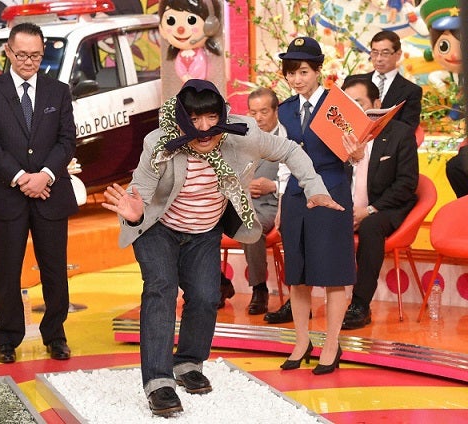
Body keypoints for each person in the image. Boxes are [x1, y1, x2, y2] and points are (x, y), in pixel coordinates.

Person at [102, 78, 342, 416]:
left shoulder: (244, 134)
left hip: (204, 231)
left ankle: (188, 363)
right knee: (161, 290)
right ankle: (159, 383)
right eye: (194, 119)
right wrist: (135, 213)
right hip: (159, 229)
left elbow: (290, 150)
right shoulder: (159, 142)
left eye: (211, 118)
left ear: (222, 116)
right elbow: (138, 192)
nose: (203, 129)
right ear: (181, 119)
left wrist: (314, 188)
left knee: (205, 297)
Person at [0, 23, 78, 363]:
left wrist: (45, 176)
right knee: (7, 271)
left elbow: (67, 140)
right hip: (6, 194)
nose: (28, 61)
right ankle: (7, 338)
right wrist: (21, 178)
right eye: (21, 55)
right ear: (8, 51)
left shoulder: (58, 91)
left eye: (35, 55)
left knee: (54, 270)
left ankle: (55, 335)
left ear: (43, 53)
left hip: (50, 193)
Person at [276, 37, 356, 375]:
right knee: (297, 274)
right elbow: (283, 158)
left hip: (332, 193)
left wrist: (356, 152)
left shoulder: (338, 106)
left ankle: (332, 345)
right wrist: (281, 200)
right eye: (291, 72)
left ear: (319, 71)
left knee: (333, 273)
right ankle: (301, 341)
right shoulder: (284, 109)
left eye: (303, 72)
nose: (296, 79)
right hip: (296, 195)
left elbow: (355, 154)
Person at [339, 77, 419, 329]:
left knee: (371, 226)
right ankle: (299, 299)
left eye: (359, 103)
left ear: (377, 104)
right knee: (307, 216)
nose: (355, 111)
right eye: (349, 105)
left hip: (384, 207)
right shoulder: (341, 135)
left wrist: (368, 210)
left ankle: (360, 305)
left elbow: (406, 184)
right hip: (348, 207)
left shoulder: (400, 134)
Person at [243, 88, 290, 314]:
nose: (258, 118)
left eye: (264, 112)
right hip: (240, 201)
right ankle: (220, 283)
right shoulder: (241, 137)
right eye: (253, 113)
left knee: (249, 225)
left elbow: (300, 178)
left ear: (275, 111)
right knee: (200, 222)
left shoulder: (288, 138)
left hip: (273, 205)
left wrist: (273, 186)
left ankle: (259, 289)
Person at [345, 30, 422, 132]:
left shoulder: (411, 91)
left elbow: (408, 128)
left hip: (389, 140)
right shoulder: (353, 81)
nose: (378, 59)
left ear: (398, 54)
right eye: (374, 53)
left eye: (385, 53)